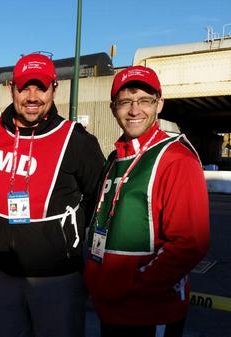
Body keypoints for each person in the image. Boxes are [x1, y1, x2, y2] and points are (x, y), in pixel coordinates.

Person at [0, 53, 105, 337]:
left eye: (41, 87)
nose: (32, 96)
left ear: (54, 89)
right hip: (1, 277)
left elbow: (99, 205)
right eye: (25, 87)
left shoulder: (77, 141)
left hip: (57, 279)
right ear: (12, 89)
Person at [84, 65, 210, 337]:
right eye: (126, 101)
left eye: (144, 100)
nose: (134, 110)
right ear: (112, 107)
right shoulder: (115, 158)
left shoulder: (176, 159)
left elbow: (189, 244)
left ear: (159, 104)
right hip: (111, 308)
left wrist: (134, 286)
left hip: (148, 312)